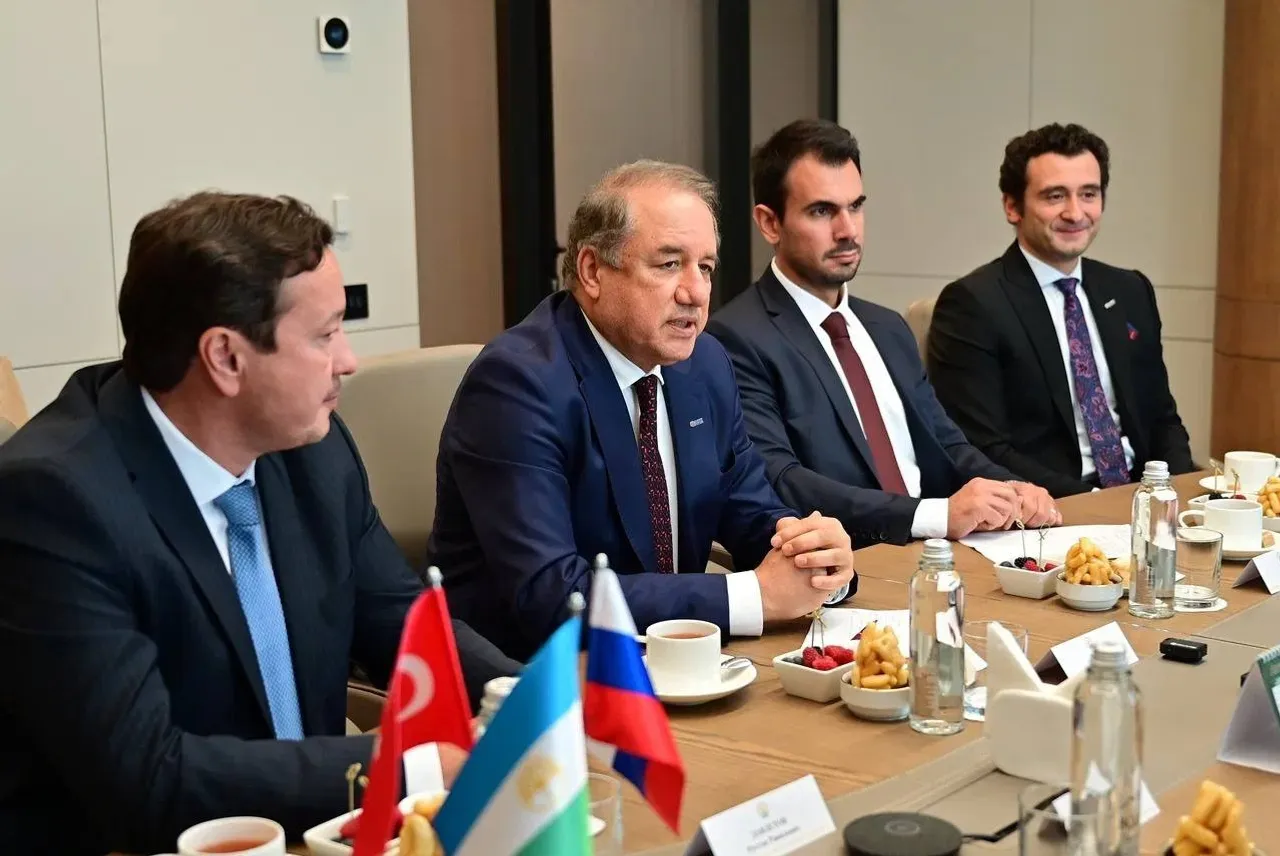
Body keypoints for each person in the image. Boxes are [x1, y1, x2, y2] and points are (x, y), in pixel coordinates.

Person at [0, 192, 519, 855]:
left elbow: (401, 620)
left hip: (313, 830)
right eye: (325, 335)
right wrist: (411, 766)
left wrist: (529, 700)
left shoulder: (312, 450)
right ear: (226, 357)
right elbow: (147, 778)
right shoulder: (53, 502)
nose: (348, 361)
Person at [428, 160, 856, 662]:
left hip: (678, 664)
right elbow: (551, 595)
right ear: (592, 271)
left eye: (706, 267)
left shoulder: (704, 364)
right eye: (669, 264)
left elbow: (749, 511)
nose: (695, 293)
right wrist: (753, 597)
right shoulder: (516, 384)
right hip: (537, 678)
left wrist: (813, 556)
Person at [705, 119, 1059, 547]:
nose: (848, 230)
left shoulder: (888, 327)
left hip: (939, 553)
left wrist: (1015, 490)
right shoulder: (734, 339)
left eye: (855, 207)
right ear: (770, 223)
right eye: (822, 211)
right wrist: (935, 516)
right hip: (844, 564)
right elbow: (783, 481)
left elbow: (948, 445)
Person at [927, 123, 1194, 497]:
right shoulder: (972, 304)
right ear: (1012, 207)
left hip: (1142, 497)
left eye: (1089, 194)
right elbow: (982, 448)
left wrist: (1178, 495)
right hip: (1050, 506)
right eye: (1055, 196)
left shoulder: (1130, 290)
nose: (1075, 212)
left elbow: (1161, 418)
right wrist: (1096, 504)